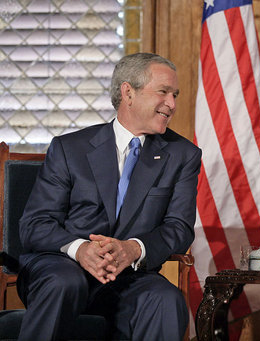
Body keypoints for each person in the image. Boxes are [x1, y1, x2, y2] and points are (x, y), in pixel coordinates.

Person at [16, 52, 202, 340]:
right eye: (163, 92)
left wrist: (134, 248)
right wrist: (80, 249)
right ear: (128, 92)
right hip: (62, 267)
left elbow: (178, 227)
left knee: (165, 299)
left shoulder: (182, 155)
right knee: (64, 282)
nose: (172, 104)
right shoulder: (69, 149)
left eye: (175, 95)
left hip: (128, 278)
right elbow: (35, 224)